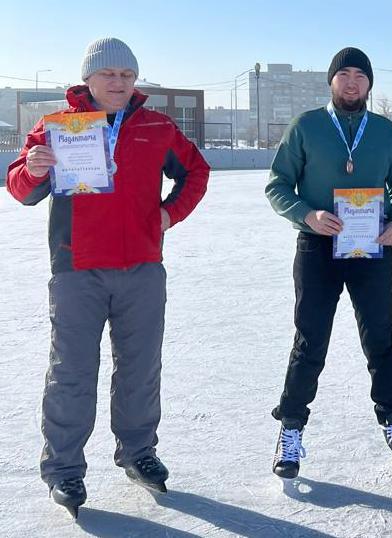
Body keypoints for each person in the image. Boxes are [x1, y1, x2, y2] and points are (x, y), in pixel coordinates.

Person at [6, 37, 209, 517]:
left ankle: (138, 453)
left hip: (142, 266)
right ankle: (64, 470)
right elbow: (20, 189)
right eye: (109, 75)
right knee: (72, 372)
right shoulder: (58, 127)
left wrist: (169, 213)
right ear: (89, 79)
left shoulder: (157, 126)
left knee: (140, 368)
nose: (118, 83)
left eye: (127, 76)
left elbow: (196, 172)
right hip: (78, 268)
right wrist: (33, 169)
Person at [265, 47, 392, 477]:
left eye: (360, 75)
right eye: (344, 74)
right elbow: (277, 185)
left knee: (380, 338)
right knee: (310, 340)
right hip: (318, 248)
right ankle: (291, 428)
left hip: (371, 248)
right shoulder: (307, 127)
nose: (352, 82)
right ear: (331, 81)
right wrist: (307, 215)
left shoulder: (385, 131)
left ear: (369, 83)